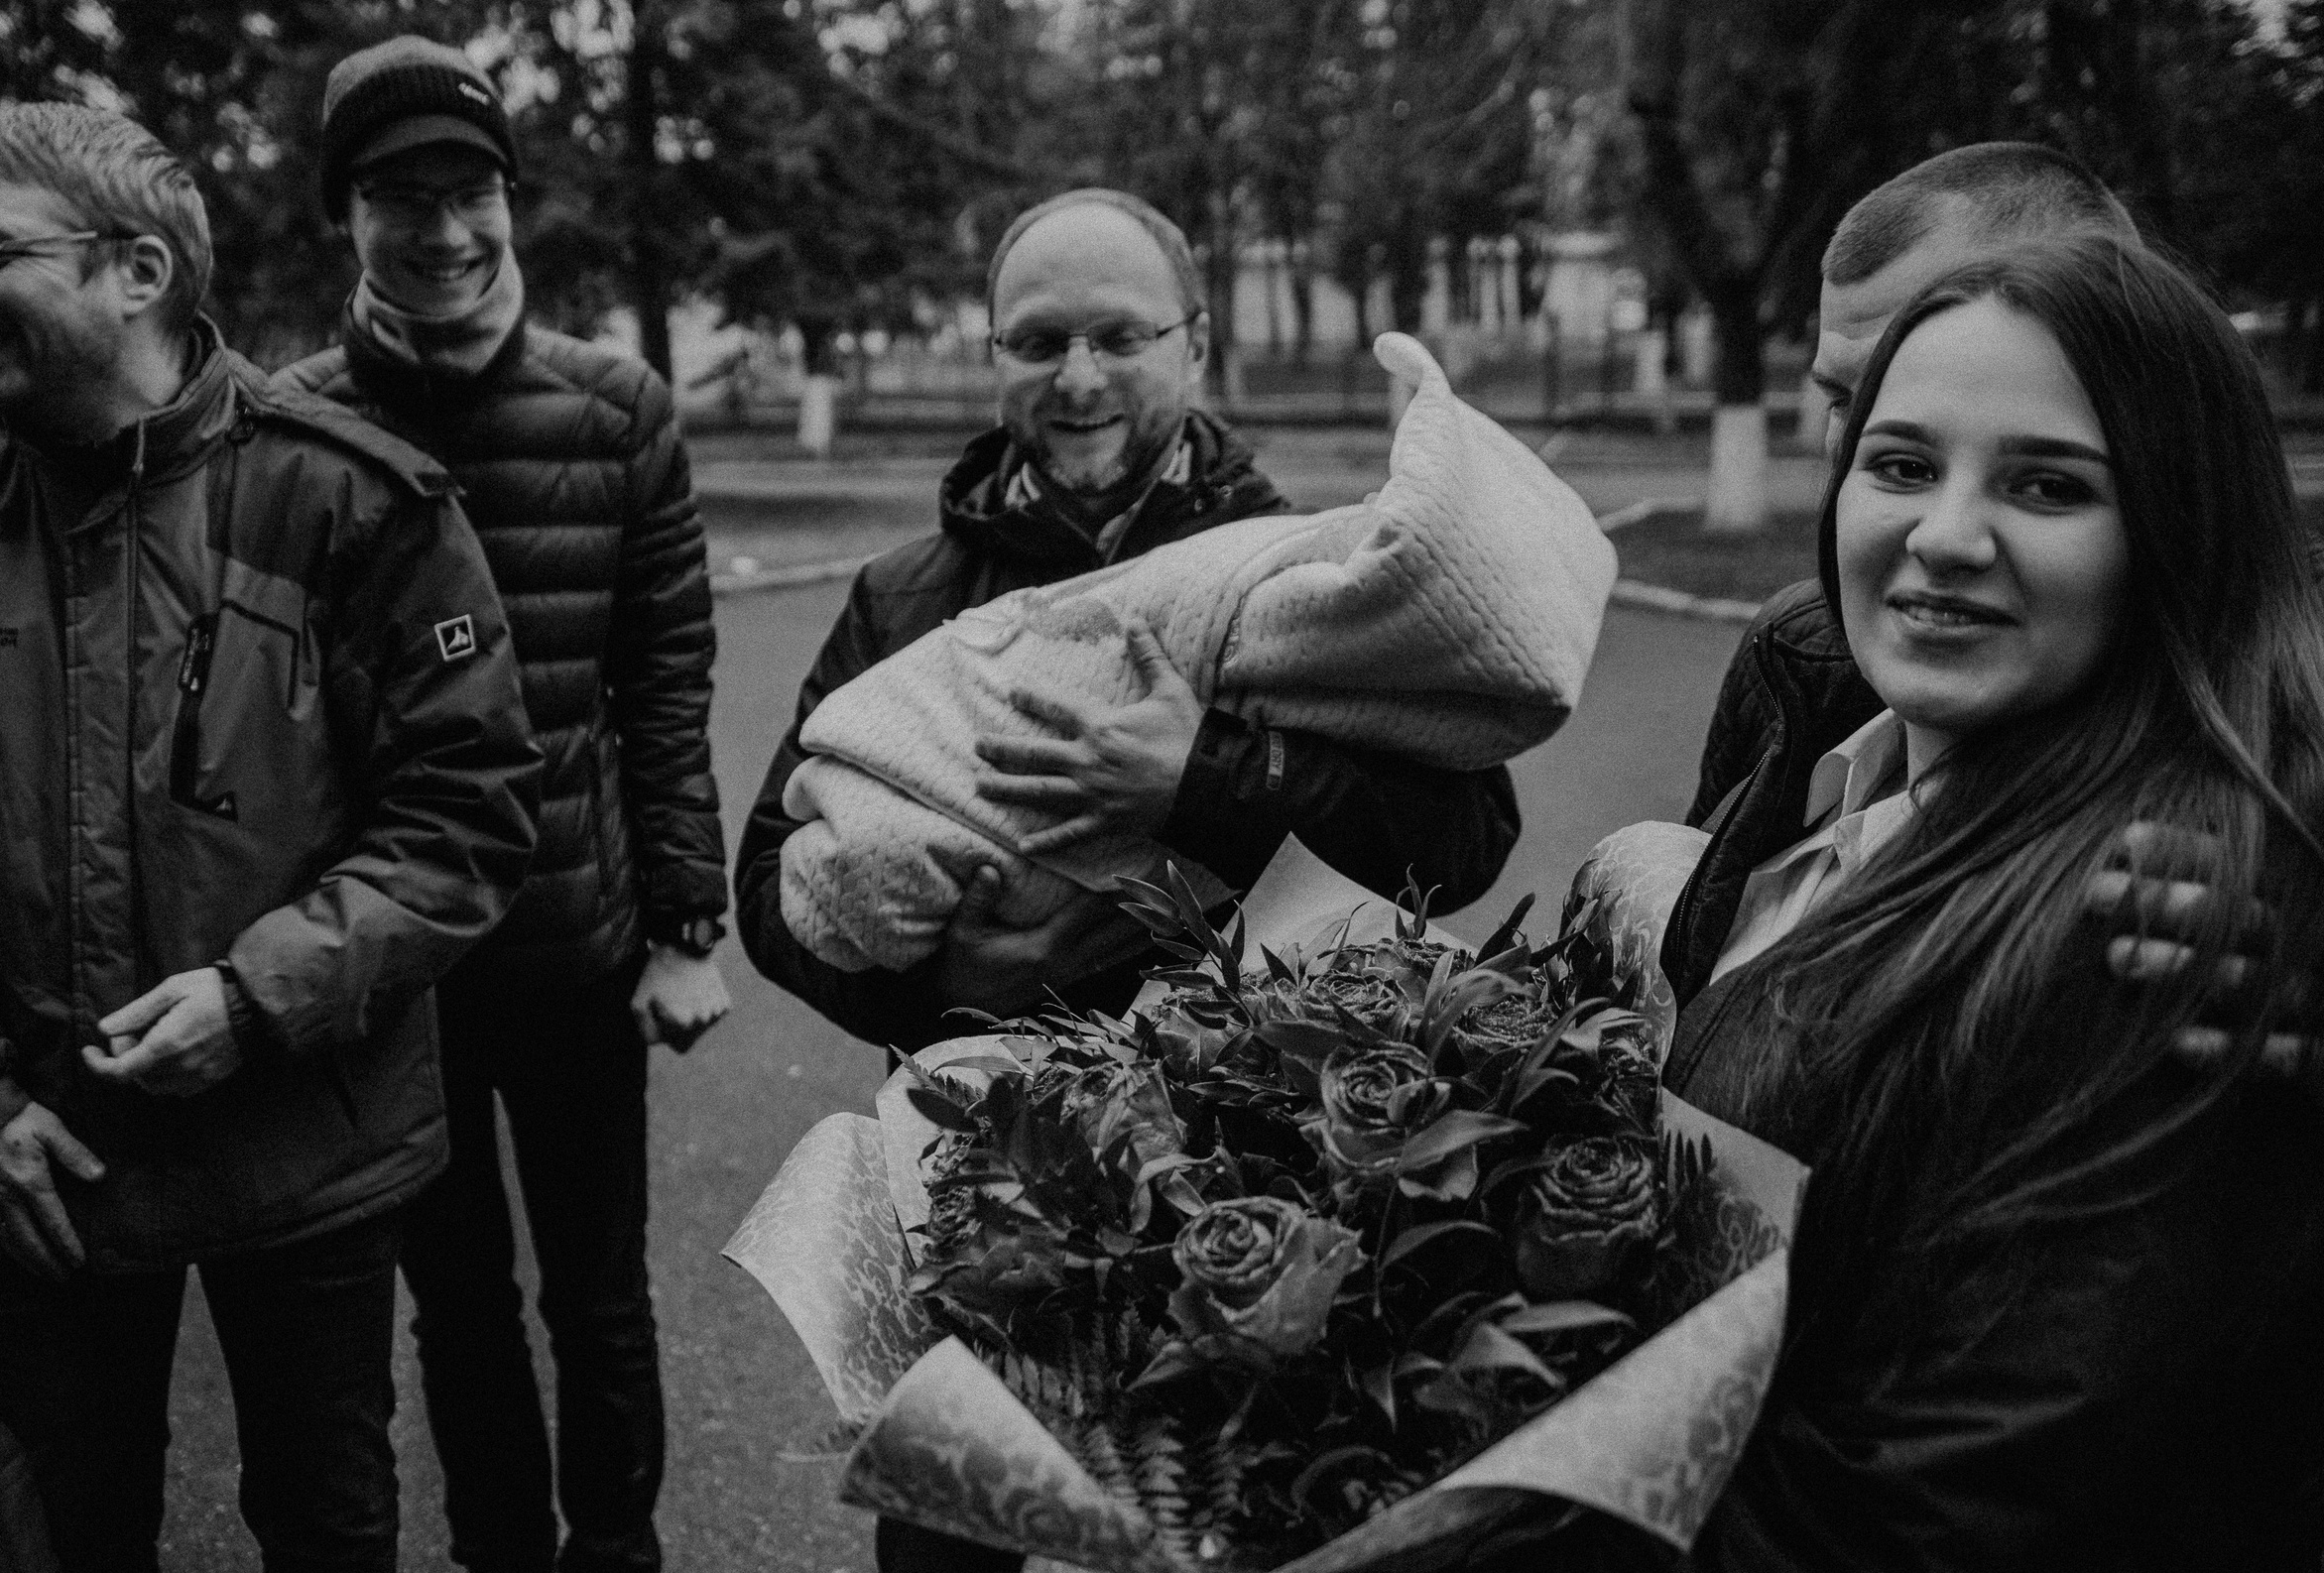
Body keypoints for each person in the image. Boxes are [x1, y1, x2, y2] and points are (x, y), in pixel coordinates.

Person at [0, 101, 543, 1573]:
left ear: (137, 269)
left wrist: (262, 995)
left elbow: (465, 814)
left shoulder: (348, 497)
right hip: (41, 1163)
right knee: (69, 1534)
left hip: (311, 1151)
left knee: (328, 1524)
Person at [734, 186, 1524, 1573]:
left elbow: (1465, 840)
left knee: (1229, 1537)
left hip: (1257, 1189)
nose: (1079, 376)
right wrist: (950, 976)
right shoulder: (907, 600)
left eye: (1119, 335)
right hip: (985, 1194)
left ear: (1196, 345)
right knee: (952, 1540)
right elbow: (767, 884)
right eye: (1038, 340)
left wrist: (1202, 782)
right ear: (995, 357)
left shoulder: (1309, 571)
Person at [1657, 235, 2324, 1565]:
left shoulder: (2163, 928)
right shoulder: (1838, 752)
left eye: (2048, 485)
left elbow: (1946, 1517)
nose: (1945, 537)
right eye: (1901, 465)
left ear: (2176, 531)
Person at [279, 34, 728, 1573]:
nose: (448, 231)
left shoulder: (617, 415)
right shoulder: (295, 430)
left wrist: (683, 922)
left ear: (510, 200)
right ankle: (499, 1555)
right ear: (348, 215)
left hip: (579, 948)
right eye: (405, 196)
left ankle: (615, 1545)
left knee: (598, 1294)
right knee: (452, 1298)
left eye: (472, 190)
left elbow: (664, 690)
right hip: (395, 974)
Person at [1662, 141, 2224, 1001]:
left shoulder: (2219, 840)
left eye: (2044, 480)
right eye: (1845, 400)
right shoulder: (1798, 654)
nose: (1857, 455)